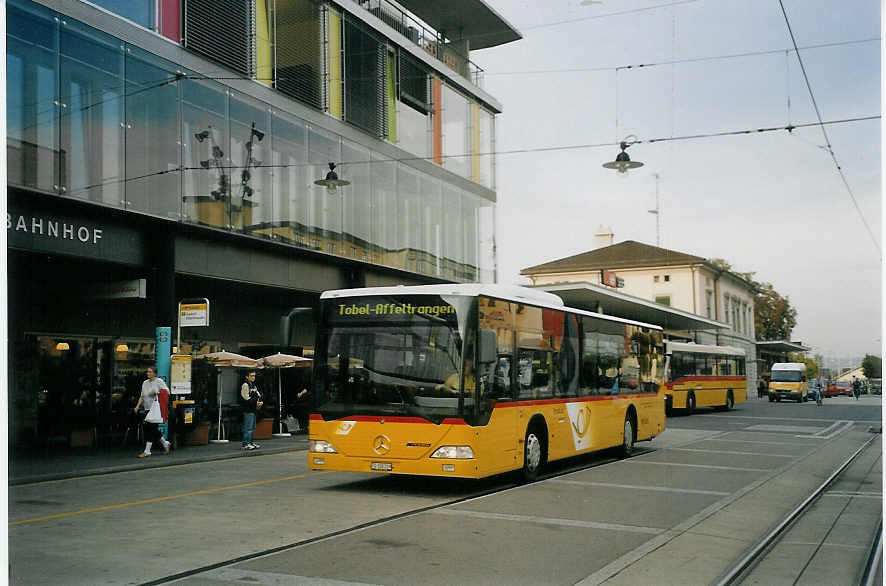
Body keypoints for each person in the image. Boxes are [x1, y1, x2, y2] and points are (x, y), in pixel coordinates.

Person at [133, 366, 171, 458]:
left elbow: (167, 392)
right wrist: (137, 406)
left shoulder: (159, 381)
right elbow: (142, 396)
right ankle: (165, 443)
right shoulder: (145, 383)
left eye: (150, 372)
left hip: (155, 409)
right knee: (151, 429)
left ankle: (147, 451)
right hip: (147, 408)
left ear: (154, 373)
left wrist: (156, 392)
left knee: (150, 429)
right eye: (147, 372)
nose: (148, 373)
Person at [240, 371, 263, 450]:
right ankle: (246, 444)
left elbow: (258, 395)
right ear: (247, 377)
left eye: (254, 376)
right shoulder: (245, 385)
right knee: (248, 427)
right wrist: (255, 403)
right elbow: (246, 398)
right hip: (248, 409)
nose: (253, 377)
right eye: (252, 376)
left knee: (252, 427)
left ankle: (250, 442)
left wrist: (259, 402)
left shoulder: (253, 385)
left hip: (253, 409)